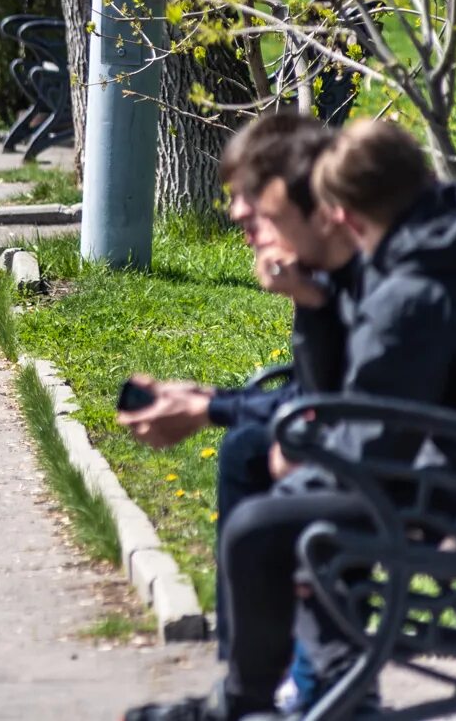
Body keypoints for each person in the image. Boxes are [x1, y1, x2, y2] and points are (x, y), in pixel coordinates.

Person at [126, 118, 456, 721]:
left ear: (339, 213)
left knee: (264, 525)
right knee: (257, 463)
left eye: (258, 206)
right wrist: (310, 315)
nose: (240, 217)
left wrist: (306, 453)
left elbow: (371, 426)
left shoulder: (408, 284)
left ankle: (263, 698)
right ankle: (314, 688)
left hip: (433, 483)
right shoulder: (407, 258)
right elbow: (348, 402)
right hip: (423, 467)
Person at [116, 113, 354, 709]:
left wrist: (212, 406)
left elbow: (339, 403)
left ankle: (282, 687)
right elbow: (319, 396)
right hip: (376, 451)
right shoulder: (322, 274)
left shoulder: (361, 273)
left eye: (253, 200)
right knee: (249, 450)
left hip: (402, 469)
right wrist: (210, 403)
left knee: (264, 491)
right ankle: (271, 681)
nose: (237, 214)